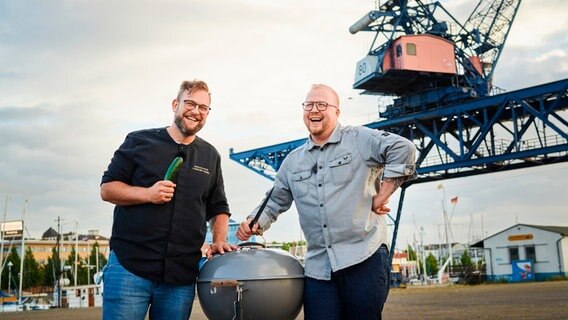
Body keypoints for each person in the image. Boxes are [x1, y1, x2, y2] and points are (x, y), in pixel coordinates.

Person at [236, 84, 417, 320]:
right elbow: (274, 201)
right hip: (319, 268)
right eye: (308, 105)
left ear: (337, 111)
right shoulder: (292, 162)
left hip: (364, 257)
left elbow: (404, 148)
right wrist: (254, 221)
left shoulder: (360, 139)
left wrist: (383, 194)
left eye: (322, 104)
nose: (314, 110)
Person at [100, 79, 236, 320]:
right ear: (176, 104)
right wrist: (148, 194)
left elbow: (218, 207)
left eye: (203, 108)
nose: (196, 111)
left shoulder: (210, 155)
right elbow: (108, 189)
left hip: (179, 277)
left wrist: (218, 240)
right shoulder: (138, 141)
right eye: (190, 103)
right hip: (130, 269)